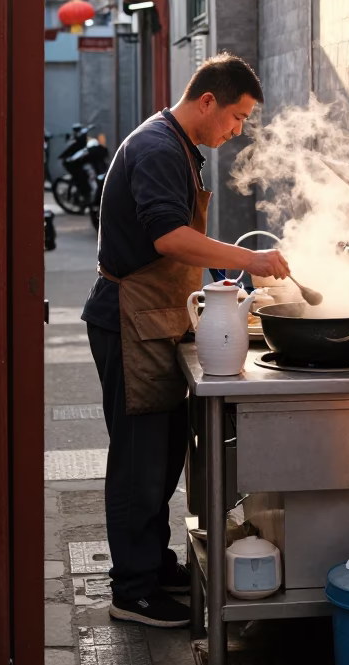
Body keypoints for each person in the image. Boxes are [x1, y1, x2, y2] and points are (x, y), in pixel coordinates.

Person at [82, 53, 290, 627]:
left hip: (157, 316)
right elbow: (169, 237)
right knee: (138, 462)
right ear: (207, 101)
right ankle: (132, 591)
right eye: (237, 117)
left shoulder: (179, 146)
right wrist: (250, 261)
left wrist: (218, 275)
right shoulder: (156, 147)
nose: (238, 130)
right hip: (129, 319)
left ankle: (152, 564)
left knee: (163, 454)